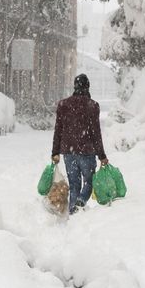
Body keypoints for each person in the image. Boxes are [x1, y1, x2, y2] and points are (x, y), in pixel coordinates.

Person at [51, 74, 108, 214]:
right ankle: (81, 201)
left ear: (75, 87)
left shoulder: (63, 104)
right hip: (87, 152)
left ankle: (73, 213)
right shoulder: (92, 106)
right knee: (89, 183)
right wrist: (102, 156)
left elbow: (58, 129)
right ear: (87, 87)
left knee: (74, 185)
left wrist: (55, 152)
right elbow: (96, 133)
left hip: (69, 153)